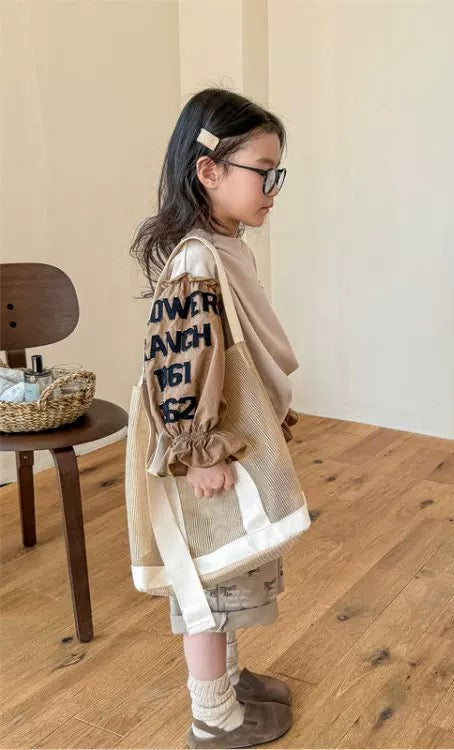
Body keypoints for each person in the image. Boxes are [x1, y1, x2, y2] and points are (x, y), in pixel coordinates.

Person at [130, 88, 301, 749]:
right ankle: (213, 717)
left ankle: (228, 679)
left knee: (231, 564)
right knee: (206, 581)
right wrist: (199, 451)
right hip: (202, 448)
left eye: (277, 173)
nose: (273, 189)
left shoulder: (226, 245)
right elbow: (180, 359)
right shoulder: (196, 259)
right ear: (209, 170)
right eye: (264, 172)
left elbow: (235, 346)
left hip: (226, 434)